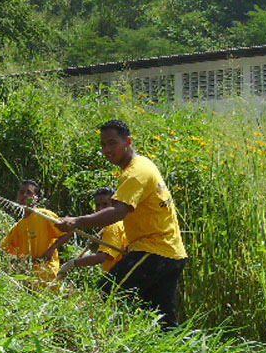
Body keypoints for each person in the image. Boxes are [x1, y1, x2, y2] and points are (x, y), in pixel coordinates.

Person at [55, 120, 187, 328]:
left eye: (112, 143)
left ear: (128, 141)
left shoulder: (135, 172)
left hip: (154, 250)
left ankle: (99, 346)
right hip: (172, 253)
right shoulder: (143, 165)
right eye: (103, 145)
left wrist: (76, 222)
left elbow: (118, 212)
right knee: (163, 321)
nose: (107, 150)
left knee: (104, 294)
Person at [0, 179, 68, 289]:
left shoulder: (44, 215)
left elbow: (68, 231)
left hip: (47, 274)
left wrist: (51, 249)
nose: (24, 195)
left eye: (29, 193)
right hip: (28, 279)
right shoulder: (18, 226)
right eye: (22, 192)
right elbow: (3, 251)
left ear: (36, 198)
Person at [61, 187, 127, 275]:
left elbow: (102, 257)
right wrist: (96, 248)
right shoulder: (115, 225)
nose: (100, 209)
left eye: (105, 204)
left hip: (118, 277)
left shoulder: (113, 226)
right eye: (97, 205)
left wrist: (73, 263)